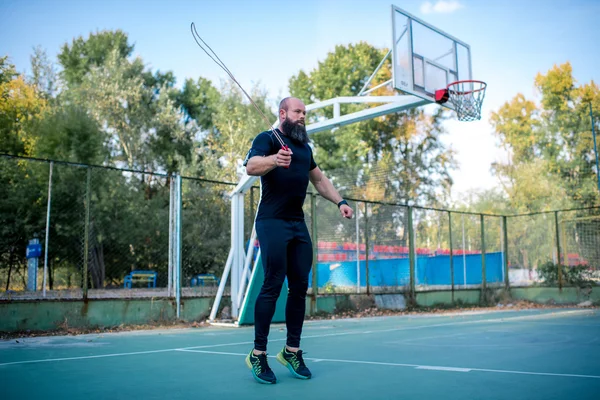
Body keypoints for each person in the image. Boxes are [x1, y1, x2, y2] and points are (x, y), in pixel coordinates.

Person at [243, 97, 353, 384]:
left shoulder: (305, 148)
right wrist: (273, 160)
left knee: (299, 287)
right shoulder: (268, 139)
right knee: (272, 284)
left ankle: (292, 350)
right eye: (298, 111)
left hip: (296, 224)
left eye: (305, 112)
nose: (303, 115)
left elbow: (318, 180)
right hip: (271, 222)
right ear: (283, 114)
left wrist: (339, 201)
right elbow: (251, 166)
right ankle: (258, 354)